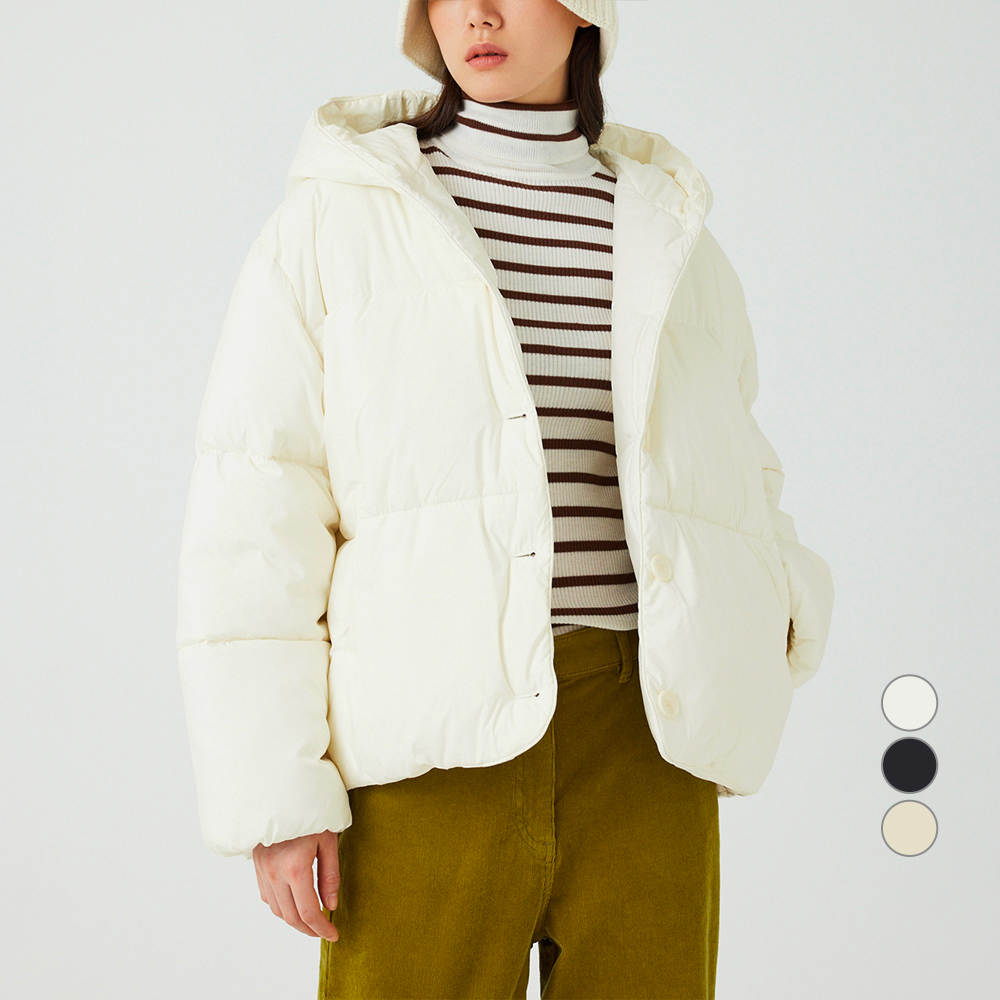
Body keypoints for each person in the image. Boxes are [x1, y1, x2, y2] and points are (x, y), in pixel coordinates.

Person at [175, 1, 835, 997]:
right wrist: (275, 789)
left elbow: (736, 472)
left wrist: (782, 613)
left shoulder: (671, 232)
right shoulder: (339, 219)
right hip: (426, 738)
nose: (476, 14)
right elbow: (257, 507)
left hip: (646, 736)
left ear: (585, 13)